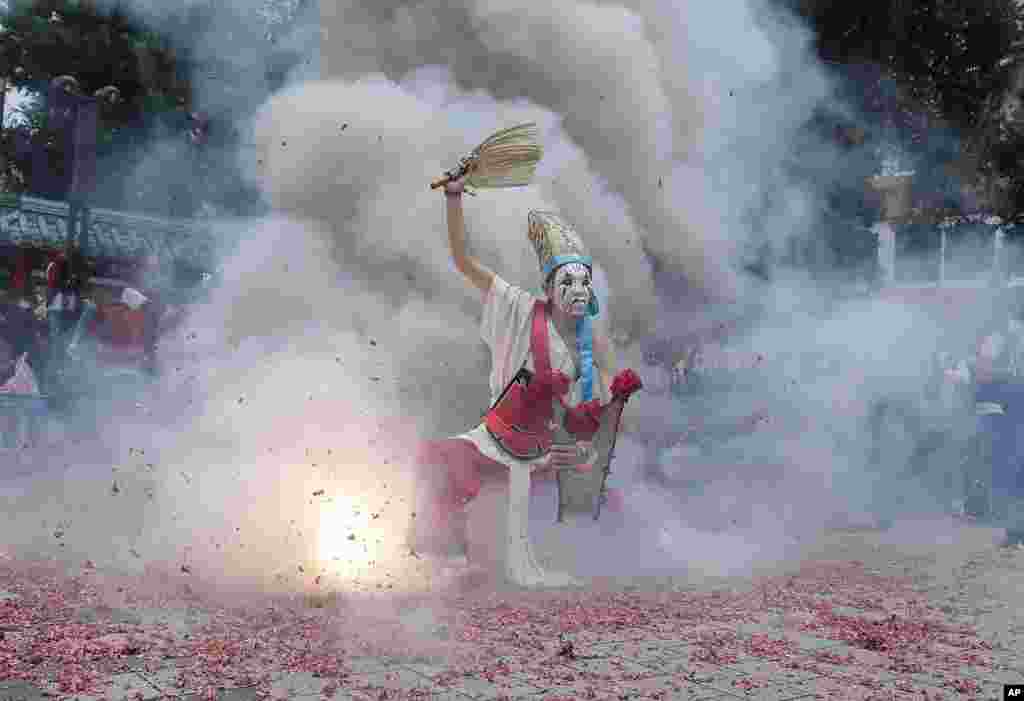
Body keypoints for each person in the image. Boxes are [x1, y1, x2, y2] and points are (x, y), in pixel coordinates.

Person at [409, 174, 641, 588]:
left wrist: (614, 403)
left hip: (536, 455)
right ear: (548, 289)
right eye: (566, 282)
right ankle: (446, 561)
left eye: (584, 281)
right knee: (436, 459)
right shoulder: (518, 309)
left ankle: (607, 555)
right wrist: (453, 197)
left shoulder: (587, 359)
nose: (577, 289)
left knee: (575, 507)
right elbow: (464, 262)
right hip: (495, 439)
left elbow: (582, 433)